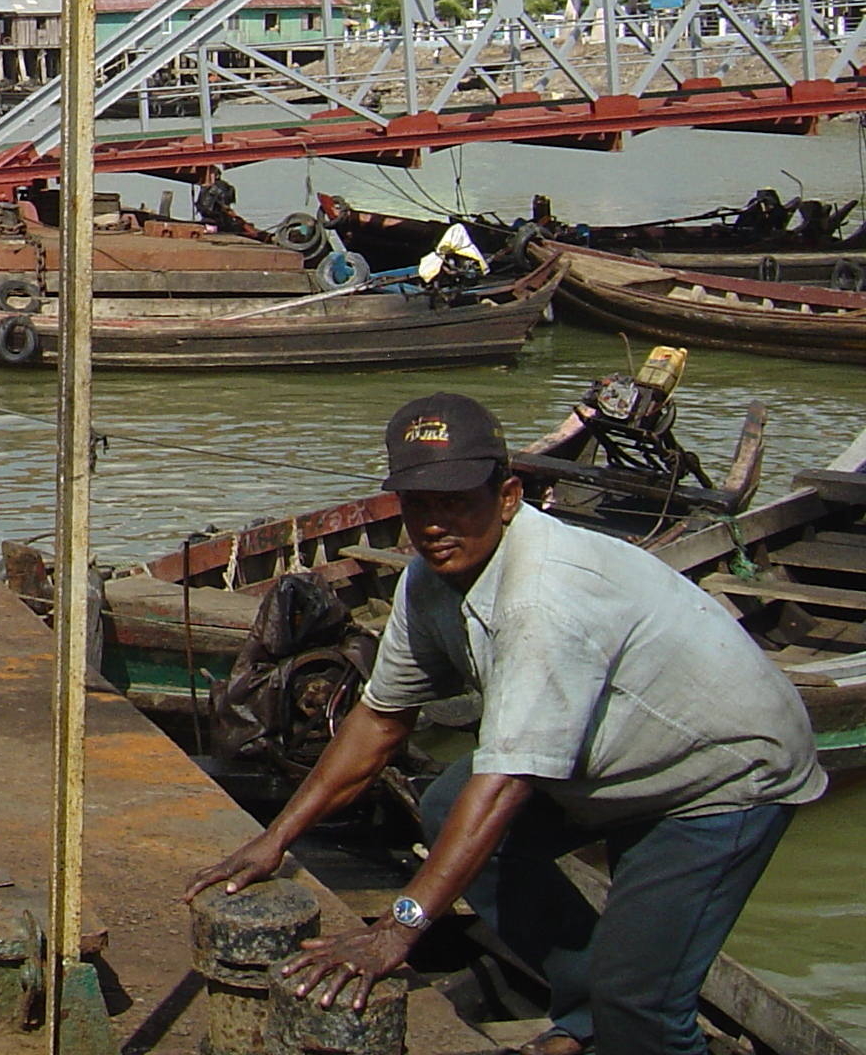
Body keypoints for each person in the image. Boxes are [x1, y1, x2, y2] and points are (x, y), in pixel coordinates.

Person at [186, 394, 822, 1055]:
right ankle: (582, 1017)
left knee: (642, 1001)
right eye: (418, 505)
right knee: (444, 805)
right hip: (618, 756)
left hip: (723, 775)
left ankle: (619, 1016)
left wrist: (400, 928)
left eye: (457, 502)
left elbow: (507, 783)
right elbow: (379, 720)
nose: (434, 525)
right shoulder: (426, 584)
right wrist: (277, 838)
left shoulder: (542, 594)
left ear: (509, 496)